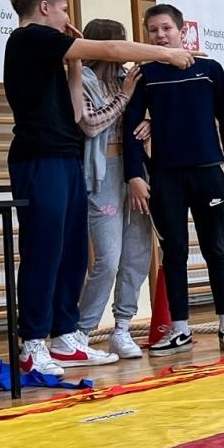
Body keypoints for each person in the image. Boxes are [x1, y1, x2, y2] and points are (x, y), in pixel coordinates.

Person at [4, 0, 192, 377]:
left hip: (66, 157)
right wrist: (166, 52)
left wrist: (72, 62)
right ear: (44, 10)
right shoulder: (29, 39)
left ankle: (65, 336)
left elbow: (74, 113)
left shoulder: (54, 53)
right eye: (64, 10)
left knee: (72, 250)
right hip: (38, 160)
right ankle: (32, 343)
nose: (68, 18)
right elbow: (111, 49)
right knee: (43, 250)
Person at [123, 3, 224, 356]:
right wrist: (135, 173)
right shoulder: (145, 75)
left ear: (181, 32)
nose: (160, 35)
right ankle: (179, 329)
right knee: (173, 253)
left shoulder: (210, 70)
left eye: (166, 29)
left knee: (216, 250)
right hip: (165, 177)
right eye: (153, 31)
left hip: (209, 174)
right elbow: (131, 126)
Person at [72, 19, 152, 361]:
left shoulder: (127, 79)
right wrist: (124, 98)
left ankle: (122, 328)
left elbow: (144, 114)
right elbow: (90, 124)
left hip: (133, 173)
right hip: (101, 175)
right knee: (108, 257)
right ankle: (81, 330)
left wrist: (151, 121)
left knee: (137, 253)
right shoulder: (84, 79)